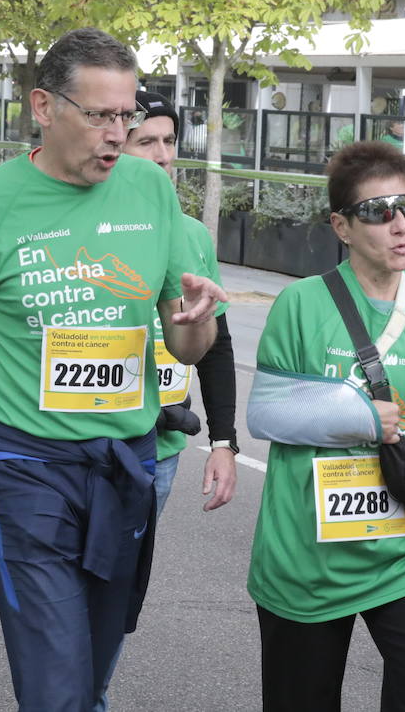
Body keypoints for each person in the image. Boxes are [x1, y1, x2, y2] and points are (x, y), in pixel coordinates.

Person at [0, 28, 225, 711]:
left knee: (88, 681)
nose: (117, 134)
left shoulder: (149, 191)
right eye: (99, 115)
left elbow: (187, 350)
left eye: (127, 116)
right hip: (23, 465)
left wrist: (197, 318)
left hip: (124, 463)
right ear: (44, 107)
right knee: (56, 686)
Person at [245, 140, 405, 712]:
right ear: (343, 226)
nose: (400, 225)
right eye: (379, 212)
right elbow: (265, 414)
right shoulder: (301, 304)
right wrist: (357, 417)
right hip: (305, 556)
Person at [122, 90, 238, 513]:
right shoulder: (88, 224)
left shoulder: (191, 234)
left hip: (164, 446)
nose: (162, 156)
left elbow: (216, 345)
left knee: (129, 576)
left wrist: (223, 442)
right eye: (146, 142)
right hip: (94, 439)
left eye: (169, 141)